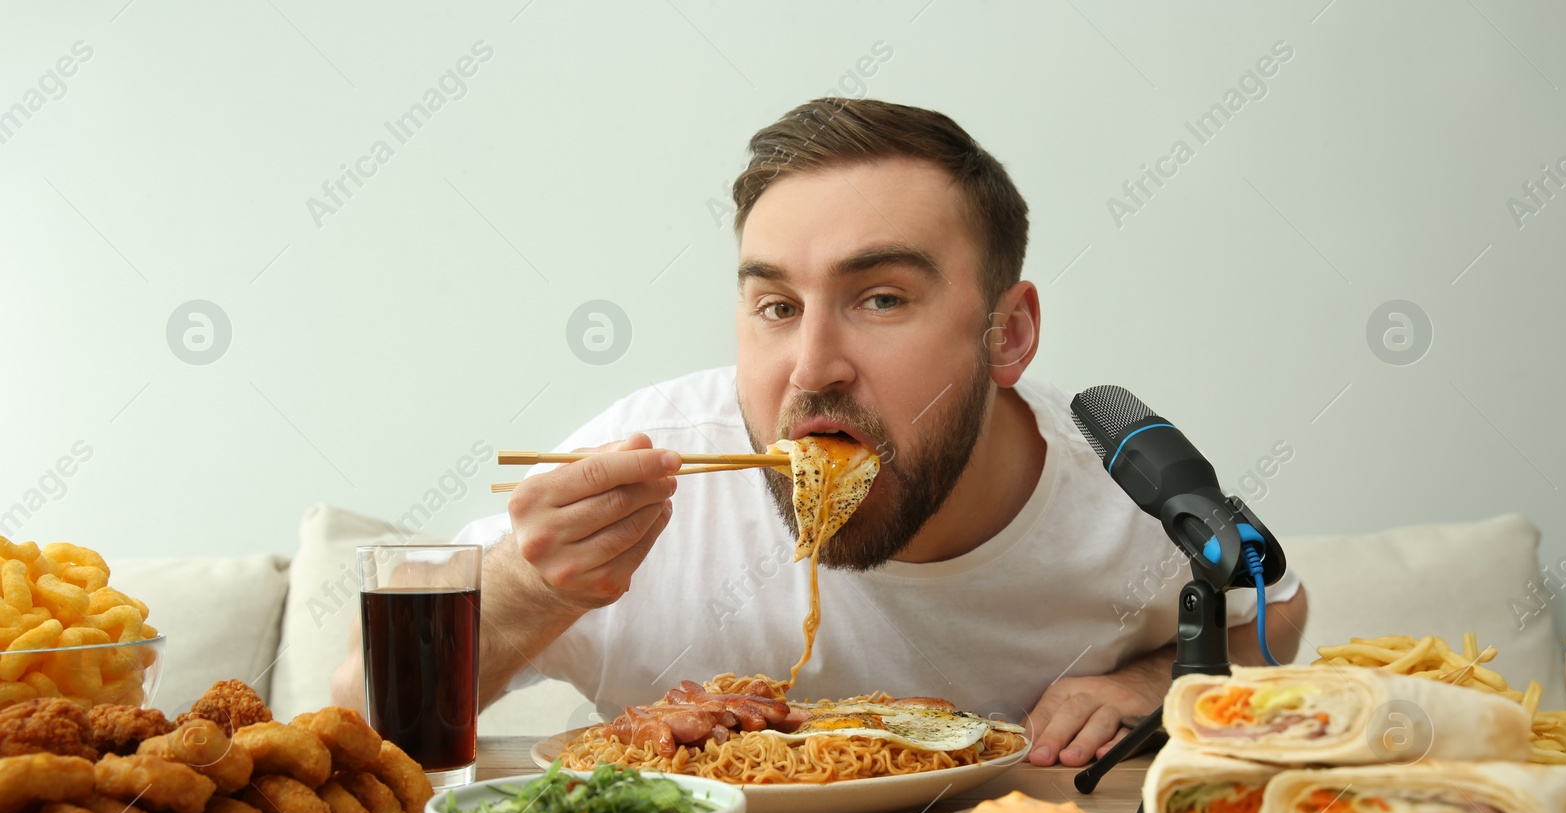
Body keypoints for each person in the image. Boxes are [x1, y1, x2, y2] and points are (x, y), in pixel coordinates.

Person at [332, 98, 1307, 767]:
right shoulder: (644, 461)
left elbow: (1275, 616)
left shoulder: (1122, 491)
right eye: (774, 305)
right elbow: (347, 719)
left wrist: (1152, 680)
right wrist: (519, 592)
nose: (811, 367)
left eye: (880, 298)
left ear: (1005, 333)